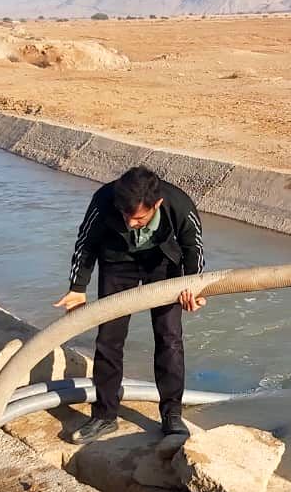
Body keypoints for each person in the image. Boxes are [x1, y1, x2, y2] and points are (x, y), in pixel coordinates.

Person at [54, 166, 206, 443]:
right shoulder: (104, 199)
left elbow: (193, 246)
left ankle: (171, 415)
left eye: (138, 219)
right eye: (125, 216)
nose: (129, 223)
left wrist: (193, 285)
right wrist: (77, 288)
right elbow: (85, 243)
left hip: (163, 265)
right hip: (117, 263)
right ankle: (104, 416)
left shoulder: (178, 204)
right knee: (108, 340)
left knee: (169, 339)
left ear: (156, 204)